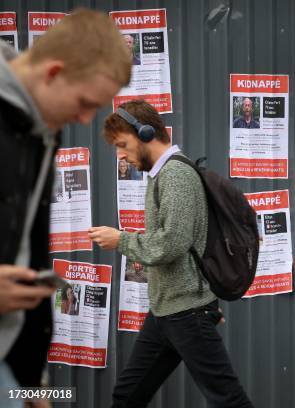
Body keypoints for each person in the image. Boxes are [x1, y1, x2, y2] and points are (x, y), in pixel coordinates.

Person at [0, 8, 131, 402]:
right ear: (53, 72)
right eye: (84, 102)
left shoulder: (40, 130)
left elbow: (28, 249)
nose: (86, 118)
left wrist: (32, 379)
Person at [88, 100, 254, 408]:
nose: (120, 155)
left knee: (228, 400)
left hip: (186, 313)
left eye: (123, 145)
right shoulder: (161, 175)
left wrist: (120, 240)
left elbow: (171, 244)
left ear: (146, 134)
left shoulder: (176, 175)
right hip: (168, 311)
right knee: (128, 395)